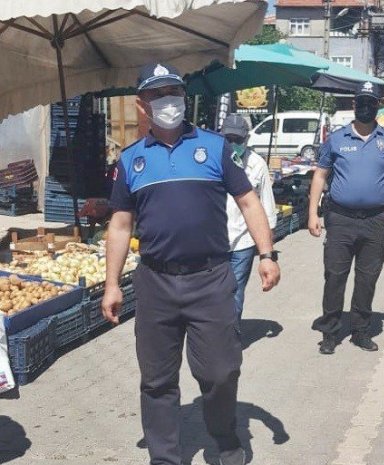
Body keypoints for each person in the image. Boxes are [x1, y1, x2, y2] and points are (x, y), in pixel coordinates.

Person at [101, 63, 281, 465]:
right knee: (157, 379)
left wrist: (266, 254)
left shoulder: (215, 148)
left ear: (185, 97)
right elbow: (120, 225)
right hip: (155, 283)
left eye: (174, 92)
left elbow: (249, 201)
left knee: (221, 371)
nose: (168, 101)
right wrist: (112, 284)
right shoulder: (131, 160)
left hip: (210, 279)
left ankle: (225, 438)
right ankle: (165, 456)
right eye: (158, 94)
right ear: (142, 104)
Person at [308, 81, 384, 355]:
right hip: (340, 219)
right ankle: (330, 332)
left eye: (370, 103)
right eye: (361, 102)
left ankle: (361, 331)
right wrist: (312, 213)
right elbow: (320, 176)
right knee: (334, 275)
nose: (365, 107)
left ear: (378, 106)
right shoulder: (336, 139)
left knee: (367, 278)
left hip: (375, 220)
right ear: (354, 105)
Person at [221, 114, 277, 322]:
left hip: (243, 242)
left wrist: (267, 254)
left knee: (234, 294)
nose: (233, 144)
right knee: (212, 296)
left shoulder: (257, 164)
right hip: (214, 241)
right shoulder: (212, 161)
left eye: (238, 140)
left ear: (247, 139)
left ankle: (231, 334)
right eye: (229, 139)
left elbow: (267, 208)